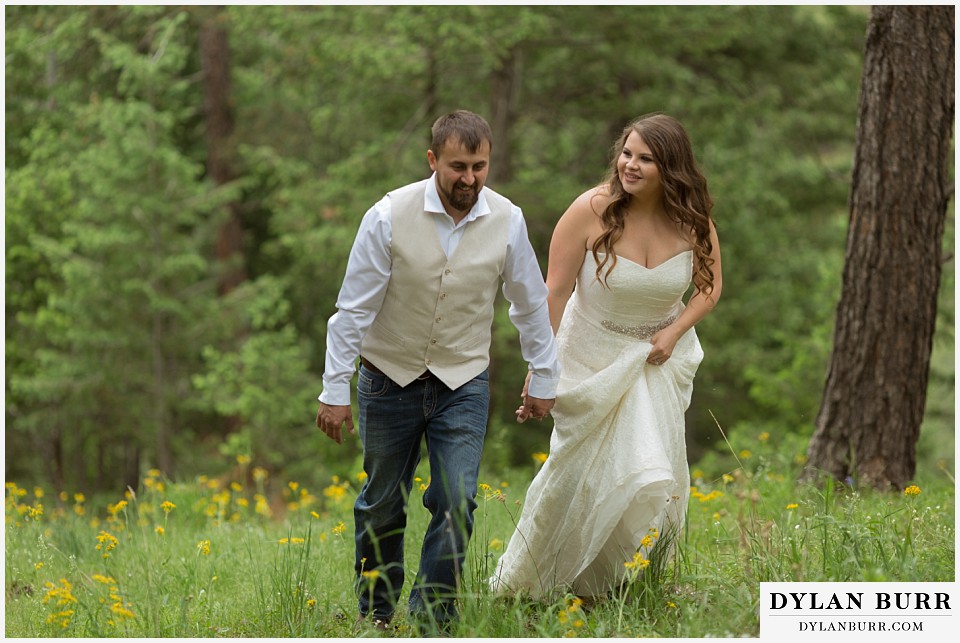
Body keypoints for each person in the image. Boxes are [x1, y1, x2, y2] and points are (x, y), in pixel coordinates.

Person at [316, 110, 559, 630]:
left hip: (462, 380)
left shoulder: (508, 220)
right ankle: (377, 612)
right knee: (382, 501)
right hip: (387, 376)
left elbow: (530, 304)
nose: (469, 178)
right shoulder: (387, 215)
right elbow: (352, 310)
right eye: (457, 166)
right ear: (433, 161)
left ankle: (432, 620)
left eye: (479, 166)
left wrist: (544, 375)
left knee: (457, 497)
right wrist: (335, 388)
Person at [490, 113, 722, 599]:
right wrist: (541, 368)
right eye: (627, 153)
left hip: (657, 359)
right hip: (590, 354)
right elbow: (553, 292)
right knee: (578, 471)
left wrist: (676, 331)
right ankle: (531, 583)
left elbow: (709, 287)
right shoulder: (590, 210)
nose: (630, 165)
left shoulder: (692, 220)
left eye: (646, 158)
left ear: (671, 168)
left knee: (650, 466)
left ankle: (616, 583)